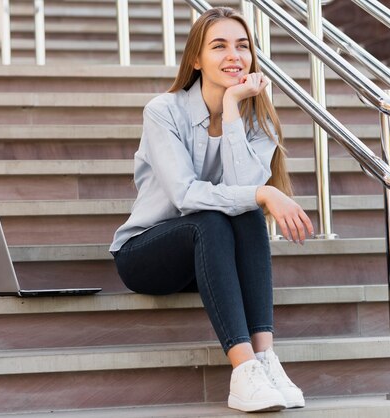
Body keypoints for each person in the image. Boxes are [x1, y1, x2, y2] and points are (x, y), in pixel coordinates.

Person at [109, 6, 314, 413]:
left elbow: (241, 192)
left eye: (242, 47)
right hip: (146, 254)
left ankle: (265, 358)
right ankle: (243, 371)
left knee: (245, 210)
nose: (233, 56)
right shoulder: (163, 111)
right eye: (219, 46)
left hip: (211, 261)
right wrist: (264, 193)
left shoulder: (259, 123)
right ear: (196, 59)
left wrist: (235, 107)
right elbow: (186, 197)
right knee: (213, 217)